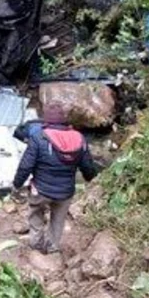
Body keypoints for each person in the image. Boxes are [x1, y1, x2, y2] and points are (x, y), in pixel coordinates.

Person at [12, 104, 100, 254]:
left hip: (41, 190)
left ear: (46, 120)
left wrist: (16, 185)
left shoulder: (39, 137)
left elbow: (26, 166)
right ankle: (52, 248)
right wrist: (91, 179)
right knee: (58, 221)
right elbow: (88, 167)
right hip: (65, 192)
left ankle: (36, 246)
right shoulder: (79, 138)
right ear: (65, 120)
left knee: (36, 214)